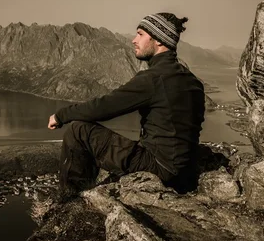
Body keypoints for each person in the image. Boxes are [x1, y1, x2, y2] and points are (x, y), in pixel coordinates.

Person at [47, 13, 205, 199]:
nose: (133, 40)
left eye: (140, 34)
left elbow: (104, 107)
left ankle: (70, 199)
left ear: (159, 41)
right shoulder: (193, 82)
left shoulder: (154, 79)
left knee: (78, 131)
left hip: (160, 169)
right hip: (185, 172)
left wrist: (62, 115)